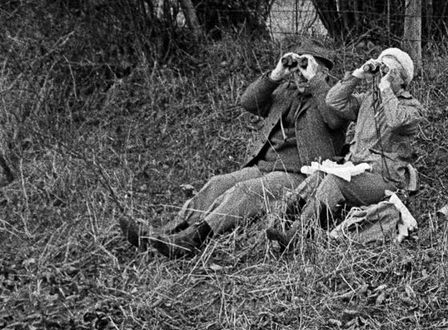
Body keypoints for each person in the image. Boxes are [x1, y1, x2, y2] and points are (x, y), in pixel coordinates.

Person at [118, 42, 347, 256]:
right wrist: (276, 75)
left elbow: (335, 119)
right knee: (218, 183)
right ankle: (165, 232)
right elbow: (248, 102)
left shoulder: (334, 97)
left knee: (246, 191)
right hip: (264, 166)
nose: (300, 75)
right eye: (297, 70)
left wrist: (316, 81)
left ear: (324, 72)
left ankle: (191, 239)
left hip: (300, 177)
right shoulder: (287, 93)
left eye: (306, 69)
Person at [266, 48, 424, 250]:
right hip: (356, 170)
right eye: (381, 68)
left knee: (335, 181)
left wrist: (386, 89)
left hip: (384, 179)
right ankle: (279, 221)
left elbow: (395, 121)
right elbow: (333, 101)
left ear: (402, 79)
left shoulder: (412, 108)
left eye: (389, 70)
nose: (381, 75)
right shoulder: (368, 100)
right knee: (319, 176)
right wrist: (359, 74)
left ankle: (295, 235)